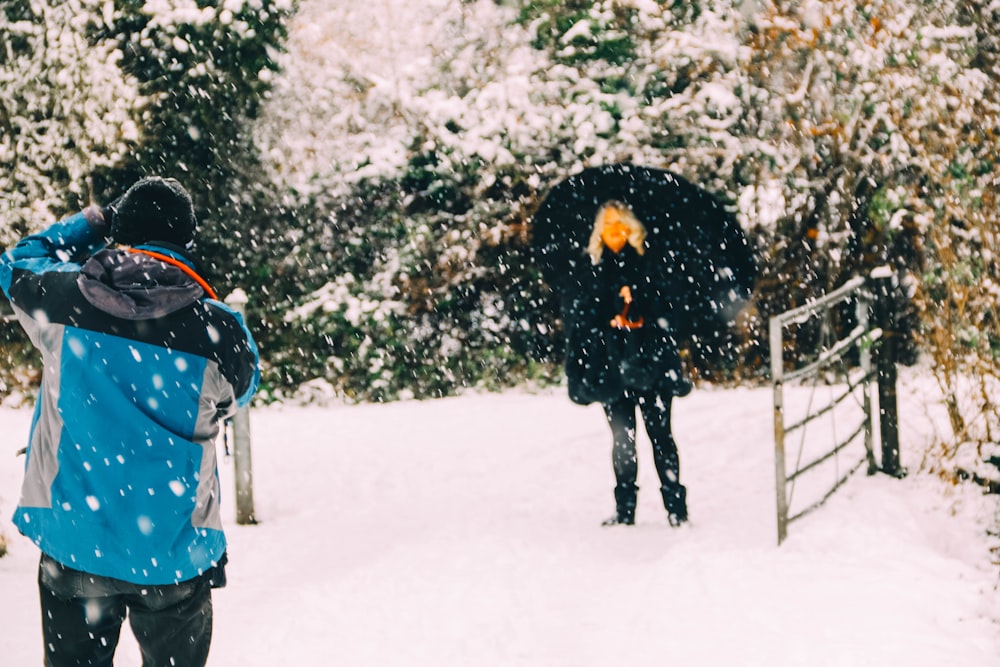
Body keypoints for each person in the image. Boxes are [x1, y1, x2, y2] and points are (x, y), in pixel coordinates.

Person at [0, 176, 260, 666]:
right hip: (174, 552)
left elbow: (12, 262)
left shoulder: (61, 299)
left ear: (119, 235)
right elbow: (238, 395)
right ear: (187, 242)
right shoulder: (219, 329)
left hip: (75, 545)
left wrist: (90, 221)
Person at [563, 200, 690, 527]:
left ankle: (676, 509)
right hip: (610, 369)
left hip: (652, 367)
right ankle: (625, 511)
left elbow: (670, 313)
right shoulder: (591, 270)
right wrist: (609, 318)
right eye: (607, 226)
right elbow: (582, 322)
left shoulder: (651, 264)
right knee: (622, 439)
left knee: (661, 436)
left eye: (620, 224)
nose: (614, 232)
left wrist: (639, 308)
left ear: (631, 229)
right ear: (599, 232)